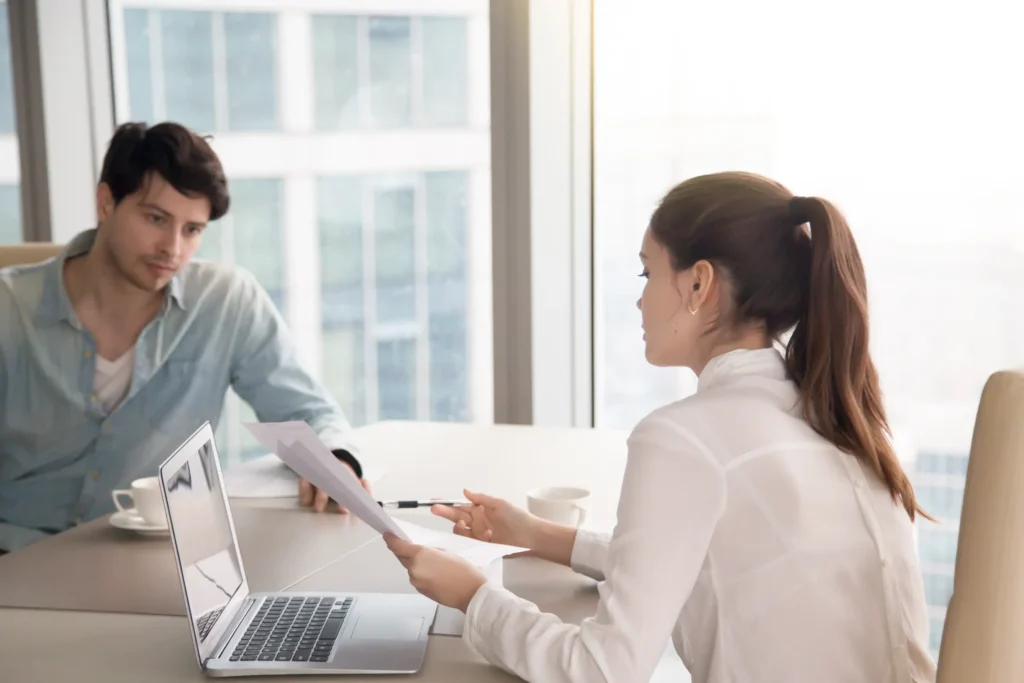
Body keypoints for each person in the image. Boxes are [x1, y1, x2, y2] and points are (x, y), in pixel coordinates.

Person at [383, 171, 937, 682]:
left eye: (648, 272)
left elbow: (602, 669)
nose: (640, 298)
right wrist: (535, 534)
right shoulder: (836, 415)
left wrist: (474, 595)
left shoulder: (684, 437)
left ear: (699, 284)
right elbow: (699, 559)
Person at [0, 121, 366, 555]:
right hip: (17, 558)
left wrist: (333, 459)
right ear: (106, 202)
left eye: (192, 230)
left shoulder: (226, 301)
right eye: (156, 219)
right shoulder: (9, 309)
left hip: (152, 557)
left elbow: (304, 411)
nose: (172, 248)